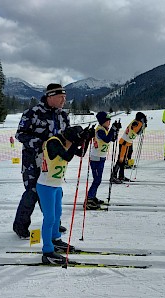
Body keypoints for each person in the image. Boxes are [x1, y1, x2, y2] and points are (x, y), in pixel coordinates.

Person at [13, 83, 70, 239]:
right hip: (32, 161)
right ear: (50, 97)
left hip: (54, 162)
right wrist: (41, 143)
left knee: (54, 191)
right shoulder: (32, 113)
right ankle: (20, 227)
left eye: (65, 97)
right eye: (60, 97)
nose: (63, 100)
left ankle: (54, 224)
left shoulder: (63, 116)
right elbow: (20, 135)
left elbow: (67, 137)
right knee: (32, 193)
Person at [37, 126, 89, 264]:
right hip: (45, 186)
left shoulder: (66, 143)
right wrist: (77, 141)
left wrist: (86, 139)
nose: (73, 146)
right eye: (73, 142)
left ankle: (56, 240)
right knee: (49, 218)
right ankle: (47, 251)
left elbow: (81, 153)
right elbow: (67, 156)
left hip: (56, 186)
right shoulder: (53, 142)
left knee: (58, 214)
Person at [85, 112, 121, 210]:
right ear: (102, 122)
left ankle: (93, 197)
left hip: (101, 157)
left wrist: (116, 131)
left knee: (98, 180)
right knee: (97, 180)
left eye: (110, 121)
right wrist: (112, 130)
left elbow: (113, 139)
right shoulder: (99, 130)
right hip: (96, 158)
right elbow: (106, 140)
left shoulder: (105, 129)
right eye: (107, 121)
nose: (109, 122)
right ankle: (89, 200)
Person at [112, 112, 147, 183]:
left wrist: (143, 126)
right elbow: (138, 132)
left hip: (127, 142)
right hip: (124, 142)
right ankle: (113, 176)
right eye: (143, 119)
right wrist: (143, 126)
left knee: (124, 160)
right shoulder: (137, 123)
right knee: (120, 159)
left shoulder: (136, 122)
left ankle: (121, 176)